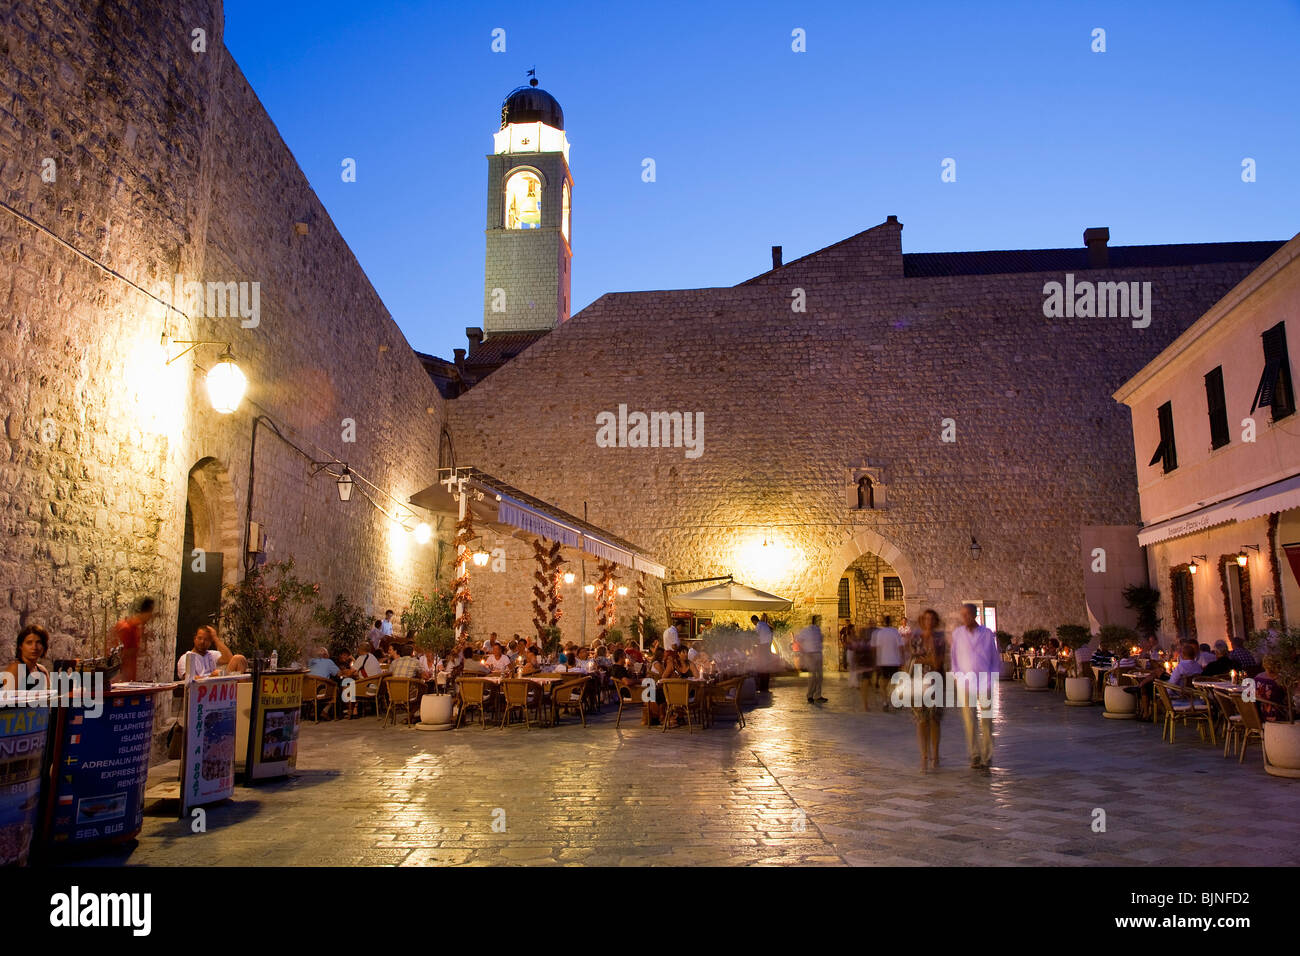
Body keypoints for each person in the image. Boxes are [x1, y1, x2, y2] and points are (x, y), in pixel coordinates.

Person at [950, 603, 999, 772]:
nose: (965, 618)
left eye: (968, 614)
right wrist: (957, 675)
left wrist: (992, 677)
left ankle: (987, 755)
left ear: (975, 615)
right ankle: (974, 754)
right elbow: (954, 657)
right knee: (969, 720)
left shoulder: (986, 634)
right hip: (965, 682)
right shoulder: (958, 634)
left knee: (986, 720)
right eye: (963, 614)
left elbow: (994, 657)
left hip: (984, 681)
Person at [906, 609, 947, 773]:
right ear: (922, 621)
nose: (928, 621)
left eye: (931, 619)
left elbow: (937, 663)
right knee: (922, 720)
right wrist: (927, 658)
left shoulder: (939, 639)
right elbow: (913, 660)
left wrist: (924, 659)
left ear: (935, 621)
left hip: (936, 682)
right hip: (918, 683)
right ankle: (924, 755)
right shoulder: (916, 639)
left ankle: (935, 755)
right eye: (926, 619)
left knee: (935, 720)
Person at [109, 596, 156, 682]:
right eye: (151, 612)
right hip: (122, 678)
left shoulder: (135, 628)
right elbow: (120, 655)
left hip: (128, 678)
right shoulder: (126, 629)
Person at [870, 615, 905, 710]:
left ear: (883, 622)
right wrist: (902, 660)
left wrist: (875, 661)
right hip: (895, 661)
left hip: (883, 662)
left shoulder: (880, 633)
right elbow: (901, 647)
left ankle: (885, 702)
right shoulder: (895, 632)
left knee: (883, 684)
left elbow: (876, 648)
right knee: (895, 683)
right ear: (891, 621)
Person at [5, 624, 51, 690]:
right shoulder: (15, 669)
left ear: (44, 646)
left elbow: (49, 697)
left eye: (39, 642)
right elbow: (7, 699)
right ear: (21, 646)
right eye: (29, 643)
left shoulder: (42, 670)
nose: (34, 647)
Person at [794, 615, 826, 704]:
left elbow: (820, 640)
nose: (820, 622)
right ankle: (810, 696)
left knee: (820, 676)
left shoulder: (818, 630)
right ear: (815, 621)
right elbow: (798, 639)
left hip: (818, 654)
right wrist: (804, 650)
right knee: (812, 676)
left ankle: (818, 695)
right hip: (811, 655)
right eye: (819, 620)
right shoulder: (806, 630)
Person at [1254, 656, 1289, 722]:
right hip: (1279, 714)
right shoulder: (1280, 680)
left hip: (1261, 714)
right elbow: (1287, 698)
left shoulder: (1258, 678)